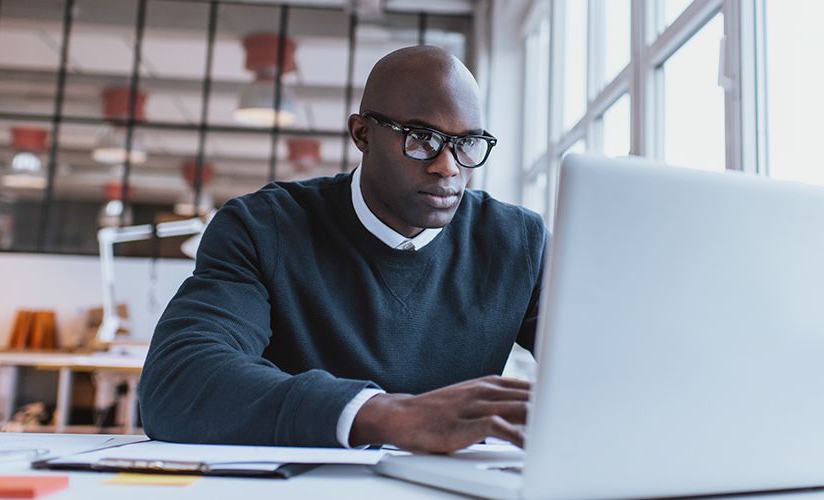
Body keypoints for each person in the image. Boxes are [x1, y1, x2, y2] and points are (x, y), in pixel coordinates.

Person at [138, 46, 547, 453]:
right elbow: (178, 381)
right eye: (421, 139)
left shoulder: (518, 242)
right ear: (362, 134)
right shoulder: (264, 228)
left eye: (468, 142)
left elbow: (600, 363)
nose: (449, 166)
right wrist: (384, 415)